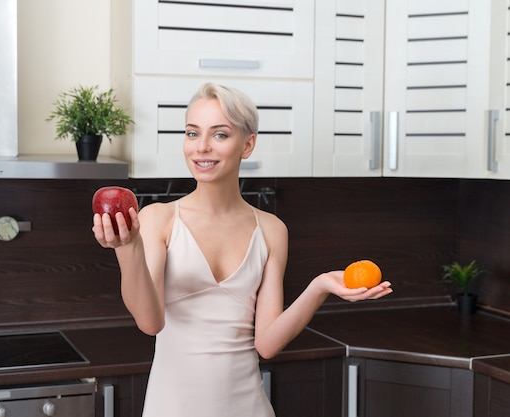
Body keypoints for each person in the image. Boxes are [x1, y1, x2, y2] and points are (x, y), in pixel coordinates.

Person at [93, 83, 393, 417]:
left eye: (219, 135)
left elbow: (267, 344)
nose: (201, 148)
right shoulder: (158, 219)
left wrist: (320, 285)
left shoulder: (271, 230)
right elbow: (150, 322)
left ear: (247, 144)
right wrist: (128, 249)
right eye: (192, 133)